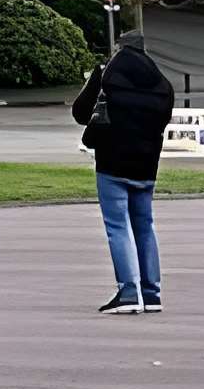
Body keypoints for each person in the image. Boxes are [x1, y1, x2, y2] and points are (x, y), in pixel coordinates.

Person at [74, 32, 176, 313]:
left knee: (118, 226)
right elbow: (163, 119)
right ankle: (152, 293)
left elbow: (81, 112)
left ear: (120, 47)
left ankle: (129, 292)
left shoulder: (107, 75)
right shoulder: (162, 84)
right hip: (146, 164)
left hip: (112, 162)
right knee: (145, 225)